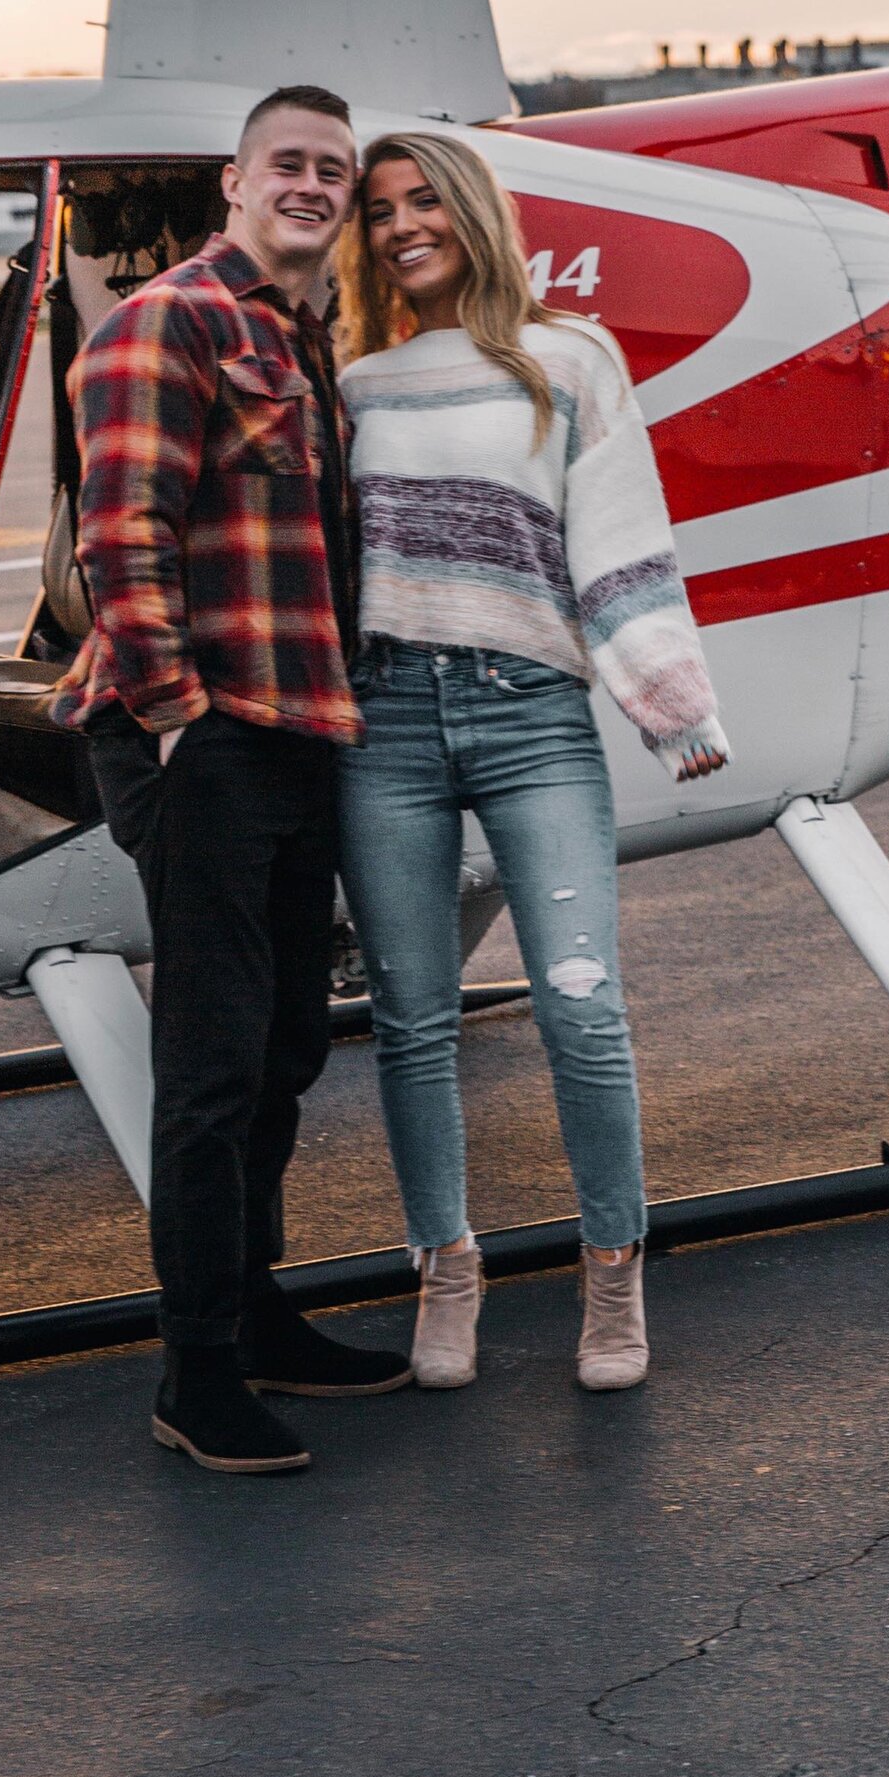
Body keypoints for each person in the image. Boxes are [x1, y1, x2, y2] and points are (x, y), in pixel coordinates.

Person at [334, 130, 730, 1395]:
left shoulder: (570, 358)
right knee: (410, 1022)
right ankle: (446, 1270)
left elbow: (619, 539)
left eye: (424, 201)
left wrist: (671, 706)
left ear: (472, 212)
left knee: (579, 1005)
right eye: (380, 209)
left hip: (530, 718)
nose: (402, 225)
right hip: (384, 721)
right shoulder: (356, 384)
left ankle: (612, 1269)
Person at [58, 84, 413, 1476]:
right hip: (203, 730)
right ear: (235, 180)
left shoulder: (308, 335)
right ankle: (195, 1371)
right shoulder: (171, 321)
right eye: (291, 163)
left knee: (283, 1047)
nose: (314, 184)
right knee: (210, 1063)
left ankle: (258, 1312)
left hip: (296, 725)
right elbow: (119, 529)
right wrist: (171, 712)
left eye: (335, 168)